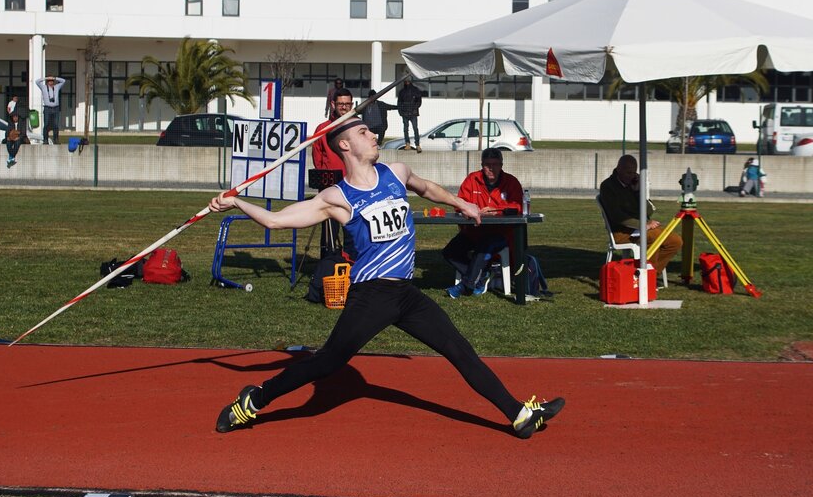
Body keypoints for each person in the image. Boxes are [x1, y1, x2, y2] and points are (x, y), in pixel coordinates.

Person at [208, 116, 564, 438]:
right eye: (363, 132)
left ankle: (518, 414)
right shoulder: (337, 197)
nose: (374, 134)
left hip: (407, 295)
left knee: (458, 348)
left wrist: (462, 203)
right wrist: (238, 202)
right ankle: (253, 400)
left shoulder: (396, 172)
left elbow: (426, 188)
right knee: (328, 362)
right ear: (345, 145)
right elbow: (276, 220)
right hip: (371, 296)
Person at [443, 147, 524, 298]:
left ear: (501, 165)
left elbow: (518, 206)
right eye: (487, 164)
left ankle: (466, 286)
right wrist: (467, 209)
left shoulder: (511, 182)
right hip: (473, 231)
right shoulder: (472, 179)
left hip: (501, 234)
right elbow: (459, 202)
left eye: (495, 164)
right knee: (449, 252)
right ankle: (481, 276)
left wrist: (496, 210)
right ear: (482, 165)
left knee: (484, 247)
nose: (491, 168)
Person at [598, 154, 682, 278]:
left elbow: (648, 211)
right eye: (628, 173)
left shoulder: (632, 185)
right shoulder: (608, 186)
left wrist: (638, 191)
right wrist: (643, 225)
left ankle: (652, 274)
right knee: (653, 238)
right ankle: (647, 278)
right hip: (623, 231)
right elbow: (618, 217)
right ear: (619, 169)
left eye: (633, 173)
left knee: (676, 241)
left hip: (641, 228)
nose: (631, 176)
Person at [312, 88, 353, 258]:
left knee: (353, 230)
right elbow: (318, 156)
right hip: (332, 187)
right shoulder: (322, 129)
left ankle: (353, 264)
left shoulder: (357, 126)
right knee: (329, 229)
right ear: (333, 104)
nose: (344, 107)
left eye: (348, 104)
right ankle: (328, 263)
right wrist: (325, 181)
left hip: (354, 187)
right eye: (341, 104)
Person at [35, 75, 66, 145]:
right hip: (47, 108)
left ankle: (56, 139)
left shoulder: (57, 87)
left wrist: (55, 78)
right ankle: (45, 139)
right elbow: (37, 82)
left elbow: (63, 81)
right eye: (49, 81)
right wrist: (45, 78)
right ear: (47, 82)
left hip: (56, 108)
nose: (50, 82)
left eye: (52, 81)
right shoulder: (43, 87)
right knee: (46, 124)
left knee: (56, 125)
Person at [397, 78, 424, 152]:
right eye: (406, 81)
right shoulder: (402, 92)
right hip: (405, 113)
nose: (407, 83)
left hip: (413, 113)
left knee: (415, 128)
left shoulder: (415, 90)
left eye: (408, 81)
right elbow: (399, 103)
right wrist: (401, 112)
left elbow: (419, 101)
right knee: (406, 129)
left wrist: (414, 108)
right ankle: (407, 144)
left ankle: (417, 145)